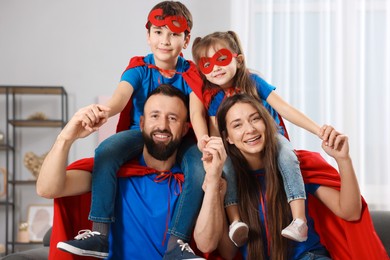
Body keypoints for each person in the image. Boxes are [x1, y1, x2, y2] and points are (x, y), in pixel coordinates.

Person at [55, 1, 210, 258]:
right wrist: (102, 112)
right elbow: (119, 98)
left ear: (186, 39)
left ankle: (177, 244)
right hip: (140, 133)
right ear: (148, 36)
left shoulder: (191, 73)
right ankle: (100, 234)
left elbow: (196, 111)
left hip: (181, 135)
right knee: (106, 150)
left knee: (197, 168)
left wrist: (204, 140)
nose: (165, 40)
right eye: (158, 32)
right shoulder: (139, 68)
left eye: (173, 34)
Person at [194, 94, 388, 259]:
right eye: (237, 125)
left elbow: (350, 212)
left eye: (255, 119)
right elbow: (226, 252)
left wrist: (343, 160)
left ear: (267, 123)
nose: (250, 129)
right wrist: (213, 184)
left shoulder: (296, 166)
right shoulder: (226, 181)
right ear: (227, 137)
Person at [37, 84, 210, 259]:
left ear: (185, 128)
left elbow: (210, 244)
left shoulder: (194, 183)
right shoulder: (111, 174)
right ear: (141, 123)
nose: (162, 125)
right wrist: (66, 138)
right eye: (155, 116)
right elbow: (47, 189)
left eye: (172, 118)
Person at [191, 31, 331, 243]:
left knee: (287, 156)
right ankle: (236, 220)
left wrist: (318, 130)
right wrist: (212, 152)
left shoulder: (253, 82)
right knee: (226, 167)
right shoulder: (213, 97)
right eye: (207, 64)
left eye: (221, 59)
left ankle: (299, 220)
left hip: (272, 138)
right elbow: (215, 131)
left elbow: (284, 108)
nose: (216, 67)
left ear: (238, 60)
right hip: (239, 149)